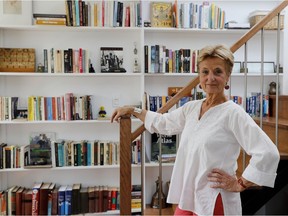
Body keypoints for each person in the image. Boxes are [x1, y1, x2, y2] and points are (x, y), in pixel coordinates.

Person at [111, 44, 280, 215]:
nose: (210, 78)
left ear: (228, 76)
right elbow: (164, 123)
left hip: (214, 199)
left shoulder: (233, 113)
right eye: (205, 72)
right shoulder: (191, 108)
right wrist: (133, 110)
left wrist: (240, 183)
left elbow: (268, 152)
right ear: (199, 76)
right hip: (189, 195)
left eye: (218, 72)